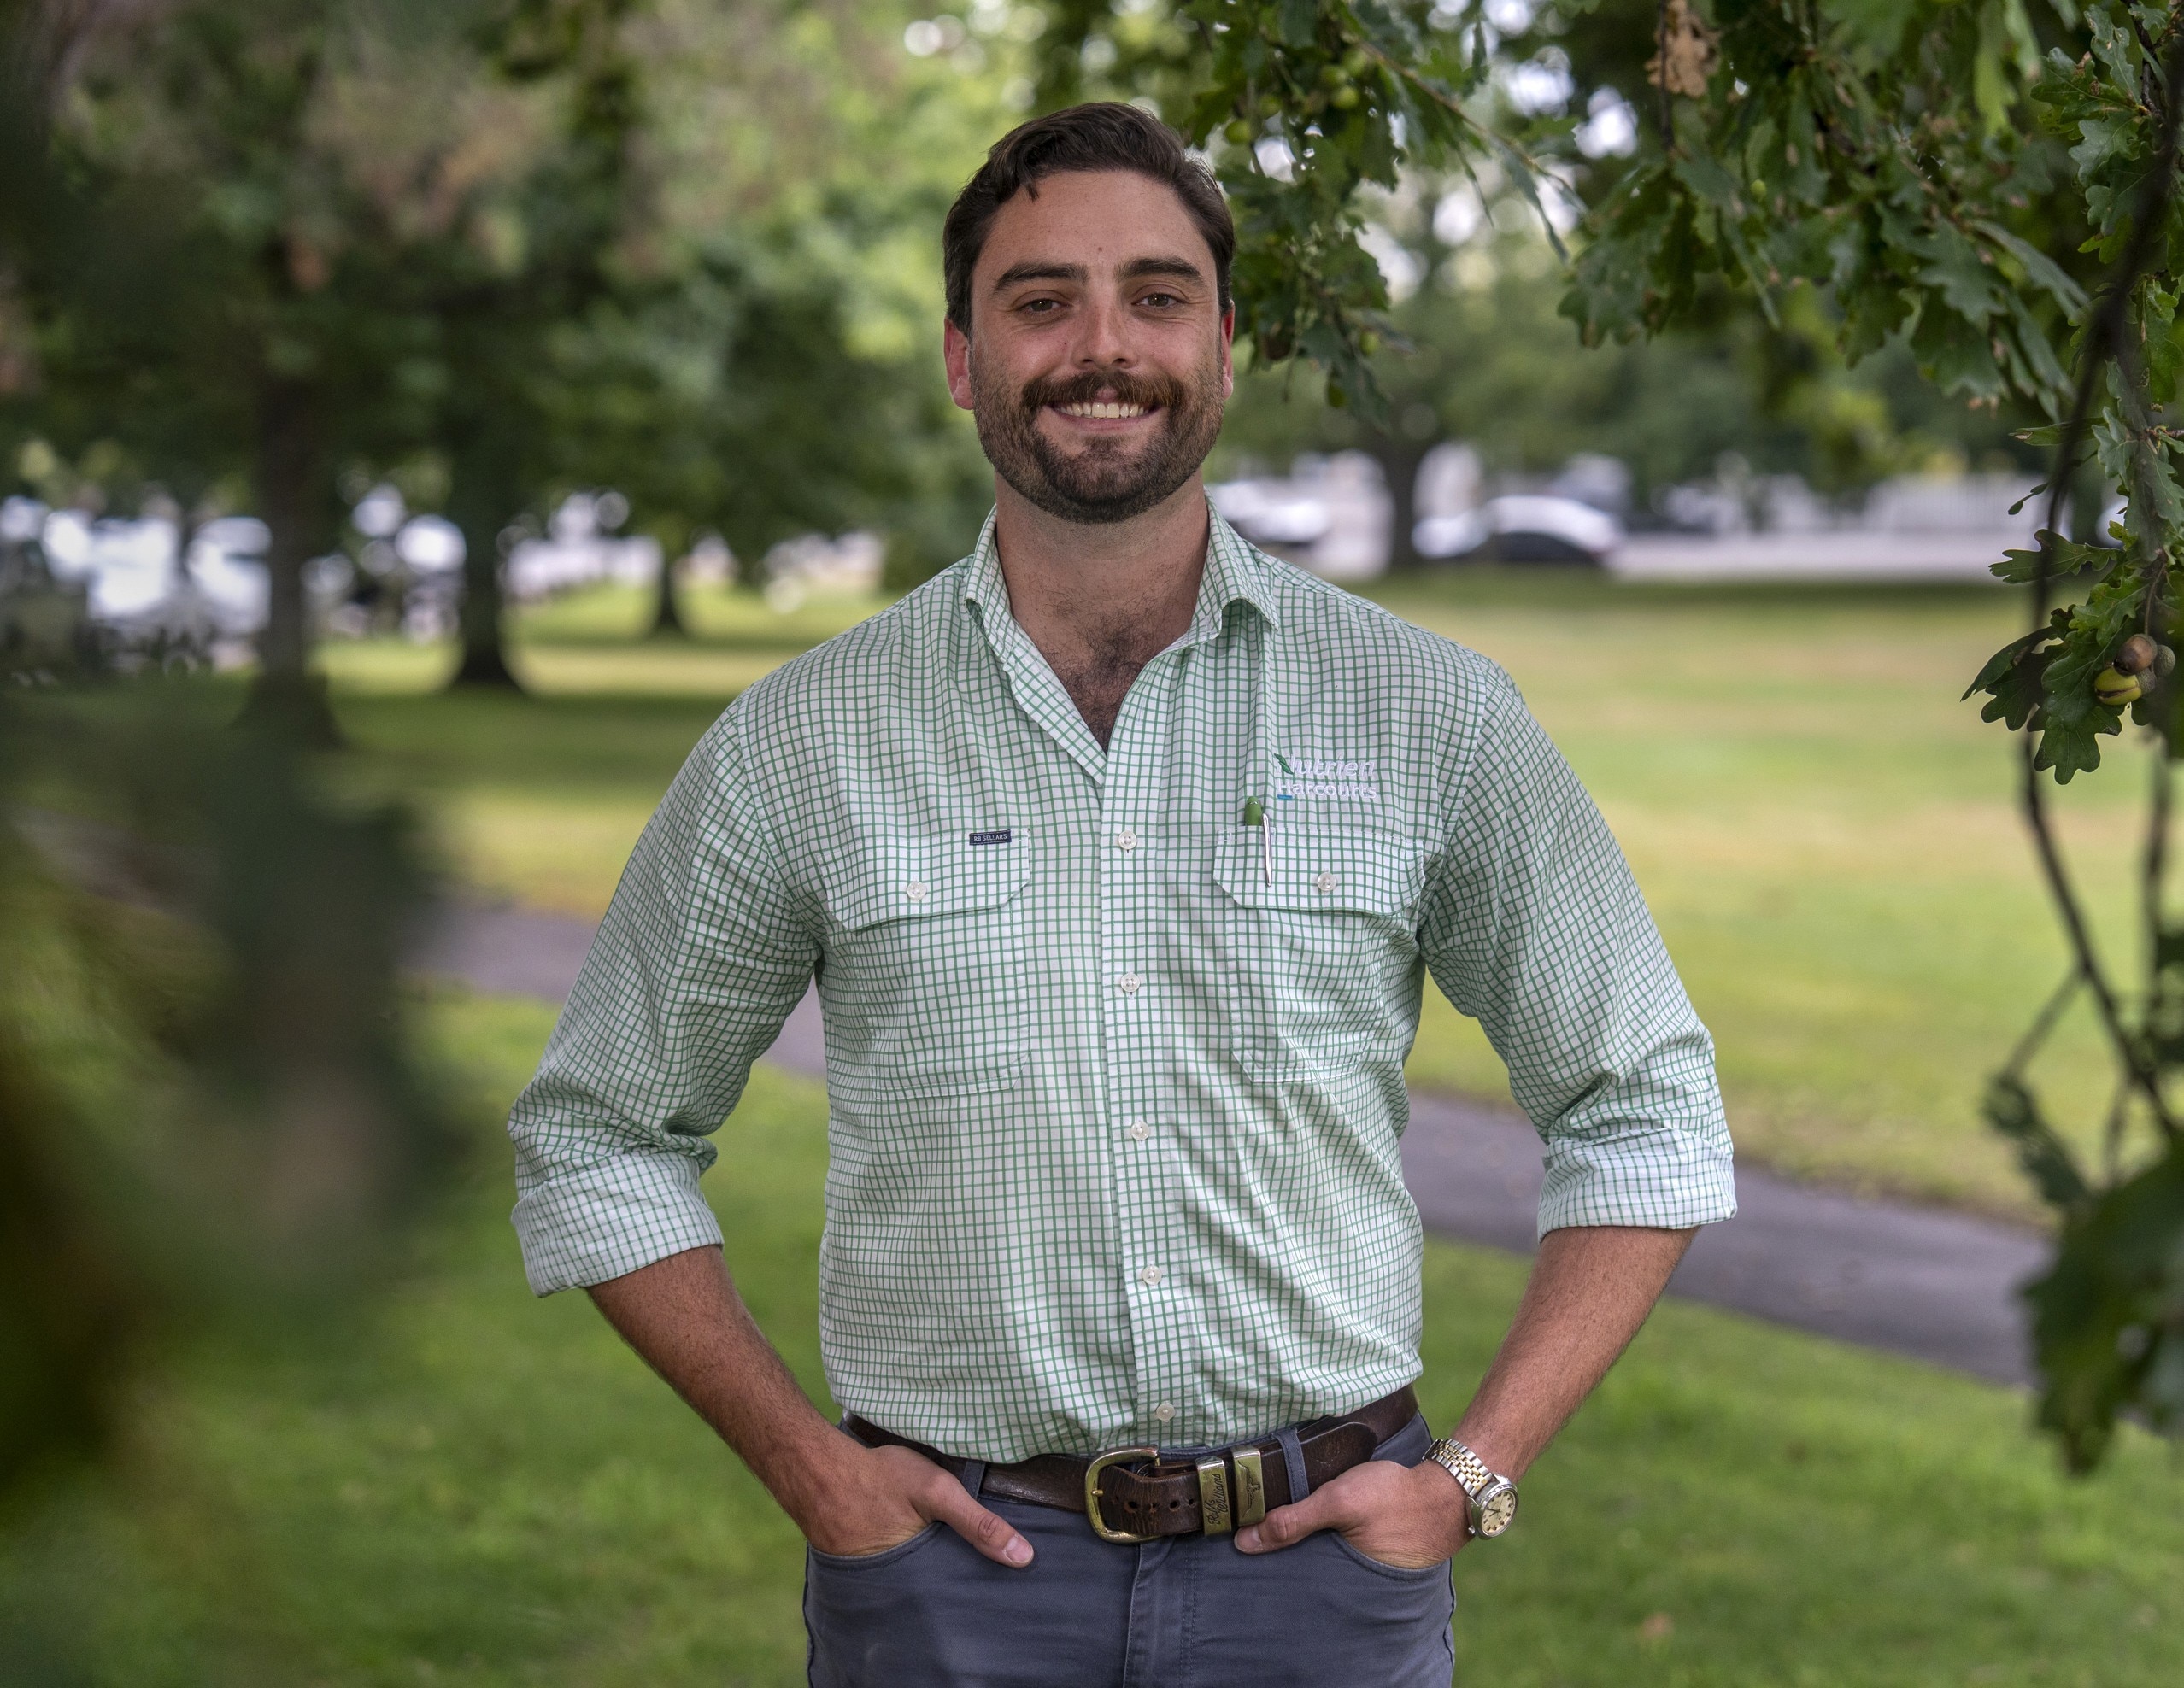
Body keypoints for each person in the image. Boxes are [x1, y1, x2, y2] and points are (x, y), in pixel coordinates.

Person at [508, 102, 1735, 1685]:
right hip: (949, 1596)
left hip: (1322, 1595)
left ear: (1225, 344)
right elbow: (598, 1130)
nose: (1105, 344)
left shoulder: (1427, 716)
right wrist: (807, 1469)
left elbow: (1644, 1101)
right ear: (962, 356)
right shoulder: (804, 744)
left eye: (1156, 296)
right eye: (1041, 300)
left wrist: (1472, 1478)